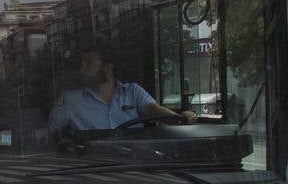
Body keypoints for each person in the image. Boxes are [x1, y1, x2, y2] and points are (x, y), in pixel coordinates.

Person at [47, 41, 194, 135]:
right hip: (90, 173)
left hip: (133, 169)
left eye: (88, 63)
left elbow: (154, 110)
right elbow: (49, 135)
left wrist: (180, 119)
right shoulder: (70, 100)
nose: (82, 69)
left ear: (108, 67)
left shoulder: (133, 92)